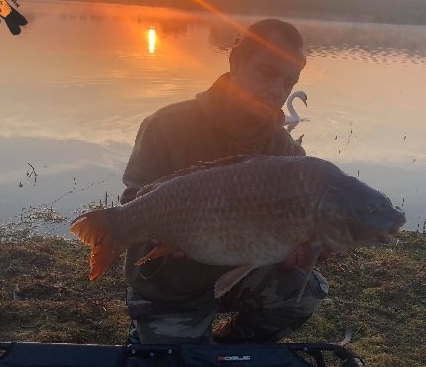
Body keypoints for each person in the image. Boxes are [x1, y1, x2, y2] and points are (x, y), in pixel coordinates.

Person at [121, 18, 329, 344]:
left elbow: (298, 228)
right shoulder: (166, 124)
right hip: (171, 280)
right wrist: (171, 232)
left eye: (288, 83)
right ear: (235, 62)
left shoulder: (287, 153)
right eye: (267, 73)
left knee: (304, 290)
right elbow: (134, 199)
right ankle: (169, 334)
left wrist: (308, 248)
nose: (277, 90)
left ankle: (234, 347)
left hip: (241, 271)